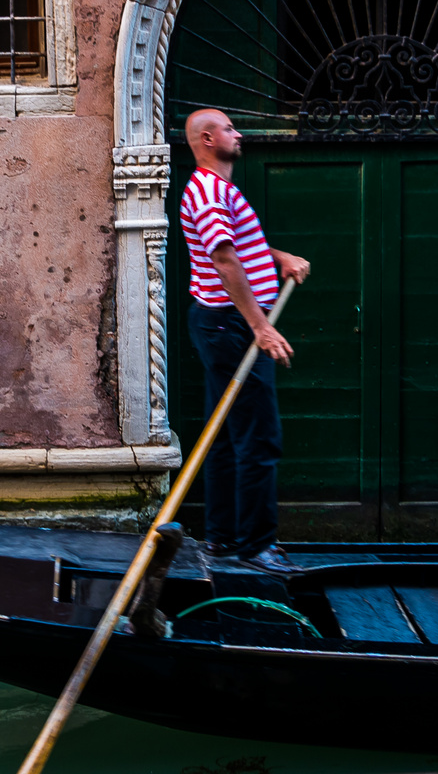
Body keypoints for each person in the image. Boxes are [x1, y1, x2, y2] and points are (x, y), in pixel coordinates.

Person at [179, 108, 311, 575]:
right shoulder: (213, 191)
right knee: (258, 439)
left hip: (218, 323)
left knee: (224, 434)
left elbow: (240, 247)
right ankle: (257, 547)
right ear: (210, 139)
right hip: (232, 326)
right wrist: (260, 325)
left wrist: (278, 257)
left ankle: (219, 540)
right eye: (231, 129)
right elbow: (225, 260)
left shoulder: (211, 190)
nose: (240, 134)